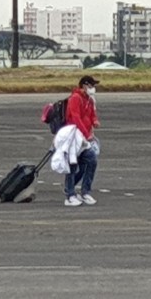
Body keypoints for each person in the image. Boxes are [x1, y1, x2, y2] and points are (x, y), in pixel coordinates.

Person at [63, 75, 101, 207]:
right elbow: (75, 117)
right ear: (85, 85)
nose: (93, 88)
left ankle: (85, 192)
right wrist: (86, 133)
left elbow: (91, 115)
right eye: (92, 85)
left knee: (90, 161)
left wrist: (94, 122)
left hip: (85, 138)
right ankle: (70, 195)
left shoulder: (89, 100)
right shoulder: (75, 98)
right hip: (73, 137)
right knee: (73, 166)